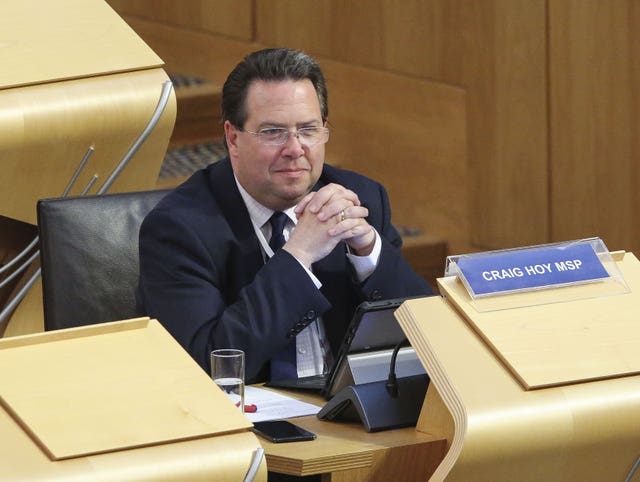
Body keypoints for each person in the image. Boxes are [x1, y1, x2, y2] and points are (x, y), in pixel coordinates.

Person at [137, 48, 433, 384]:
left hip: (349, 418)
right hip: (247, 423)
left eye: (308, 130)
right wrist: (299, 255)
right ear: (233, 138)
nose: (295, 149)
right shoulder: (179, 228)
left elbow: (430, 339)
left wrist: (369, 254)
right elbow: (209, 366)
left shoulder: (360, 199)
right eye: (273, 132)